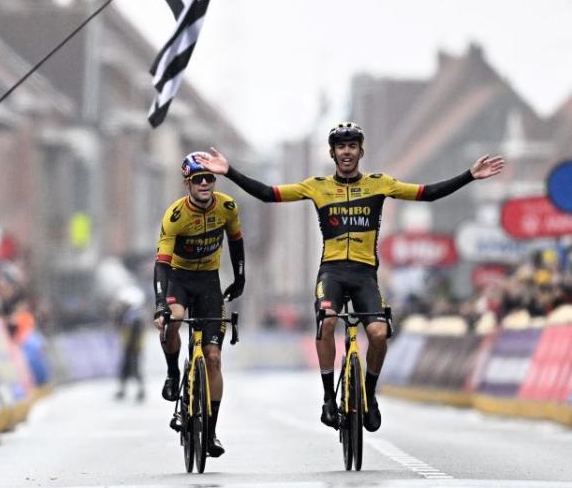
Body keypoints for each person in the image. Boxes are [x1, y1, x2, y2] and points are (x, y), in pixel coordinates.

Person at [196, 122, 504, 433]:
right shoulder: (317, 186)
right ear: (332, 153)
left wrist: (469, 176)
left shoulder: (379, 184)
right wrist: (229, 171)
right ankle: (329, 397)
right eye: (341, 147)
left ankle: (369, 394)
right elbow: (268, 194)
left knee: (380, 334)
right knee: (328, 321)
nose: (346, 152)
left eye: (352, 146)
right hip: (331, 272)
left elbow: (427, 194)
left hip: (364, 274)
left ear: (361, 151)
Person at [153, 152, 245, 458]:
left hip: (208, 283)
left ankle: (211, 432)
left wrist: (240, 277)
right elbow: (162, 265)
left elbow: (236, 242)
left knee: (214, 357)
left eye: (209, 178)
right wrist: (159, 305)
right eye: (197, 179)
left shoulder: (227, 206)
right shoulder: (175, 216)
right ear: (187, 184)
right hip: (179, 279)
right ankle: (173, 373)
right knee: (173, 320)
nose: (204, 183)